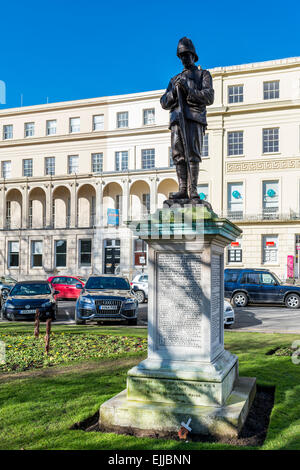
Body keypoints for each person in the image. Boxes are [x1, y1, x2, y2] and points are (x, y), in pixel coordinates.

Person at [160, 37, 214, 200]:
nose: (184, 58)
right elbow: (164, 102)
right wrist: (174, 93)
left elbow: (209, 96)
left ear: (193, 55)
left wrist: (188, 89)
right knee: (178, 155)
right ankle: (182, 188)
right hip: (177, 120)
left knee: (192, 154)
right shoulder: (174, 79)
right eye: (181, 55)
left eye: (186, 54)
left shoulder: (203, 74)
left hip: (194, 119)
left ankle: (193, 189)